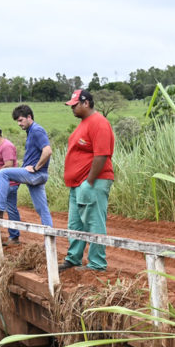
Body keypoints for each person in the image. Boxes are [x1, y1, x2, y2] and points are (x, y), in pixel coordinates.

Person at [59, 89, 115, 272]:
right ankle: (73, 258)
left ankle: (97, 265)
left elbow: (102, 154)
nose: (72, 108)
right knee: (75, 224)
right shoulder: (84, 123)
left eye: (75, 105)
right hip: (78, 184)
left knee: (93, 222)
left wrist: (89, 182)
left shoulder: (99, 123)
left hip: (93, 182)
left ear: (86, 103)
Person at [0, 105, 53, 227]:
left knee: (4, 172)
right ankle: (50, 241)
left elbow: (47, 151)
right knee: (42, 209)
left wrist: (36, 167)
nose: (19, 124)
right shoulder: (31, 131)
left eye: (20, 120)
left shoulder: (36, 130)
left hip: (35, 174)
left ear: (29, 117)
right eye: (17, 121)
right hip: (37, 175)